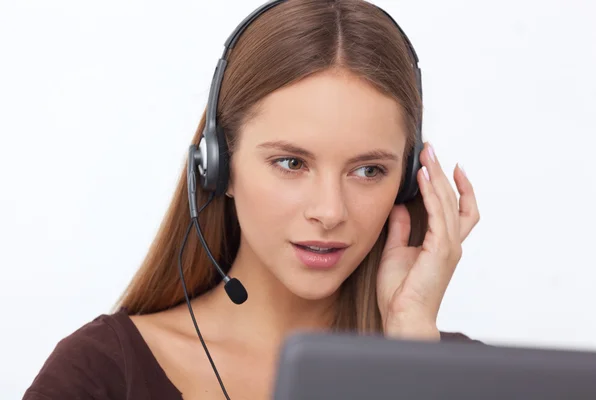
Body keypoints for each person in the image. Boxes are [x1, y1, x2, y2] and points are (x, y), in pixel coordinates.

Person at [23, 0, 481, 399]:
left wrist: (412, 360)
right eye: (291, 163)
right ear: (218, 165)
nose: (329, 212)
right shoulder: (99, 375)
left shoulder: (465, 375)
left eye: (368, 170)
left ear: (407, 182)